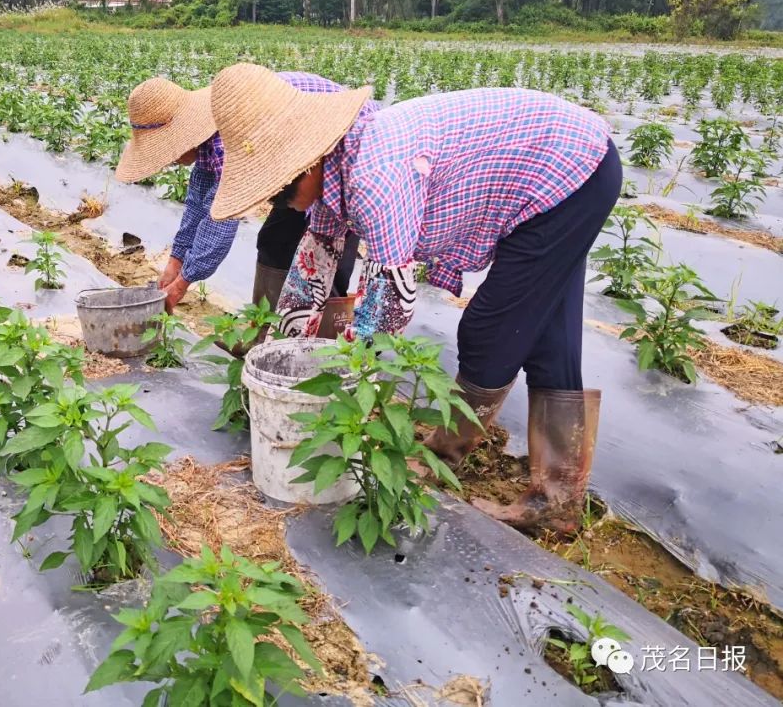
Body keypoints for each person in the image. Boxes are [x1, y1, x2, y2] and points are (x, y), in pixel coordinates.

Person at [207, 63, 622, 536]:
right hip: (560, 166)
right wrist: (275, 358)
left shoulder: (375, 175)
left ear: (306, 160)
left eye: (279, 189)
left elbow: (391, 301)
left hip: (568, 171)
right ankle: (561, 500)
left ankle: (441, 459)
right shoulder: (332, 167)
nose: (279, 202)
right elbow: (312, 267)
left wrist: (343, 395)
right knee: (545, 331)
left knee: (493, 329)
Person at [115, 73, 376, 313]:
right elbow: (198, 205)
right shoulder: (207, 135)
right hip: (294, 165)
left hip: (340, 150)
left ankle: (327, 342)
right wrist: (175, 261)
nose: (168, 161)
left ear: (180, 135)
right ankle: (266, 328)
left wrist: (182, 284)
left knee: (325, 256)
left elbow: (220, 220)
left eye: (166, 152)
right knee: (274, 241)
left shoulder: (225, 136)